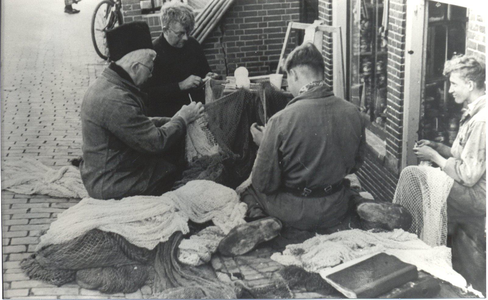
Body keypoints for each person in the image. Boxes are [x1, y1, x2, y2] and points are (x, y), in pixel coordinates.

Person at [218, 43, 369, 256]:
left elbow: (264, 182)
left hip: (294, 212)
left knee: (250, 189)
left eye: (288, 81)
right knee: (348, 186)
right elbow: (355, 164)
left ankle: (263, 221)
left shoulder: (281, 120)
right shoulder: (354, 112)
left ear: (295, 74)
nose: (288, 87)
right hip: (336, 207)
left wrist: (265, 145)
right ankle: (359, 205)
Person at [80, 21, 204, 200]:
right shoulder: (116, 99)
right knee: (174, 171)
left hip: (104, 172)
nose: (151, 74)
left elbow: (138, 122)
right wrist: (182, 119)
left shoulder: (109, 84)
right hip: (110, 183)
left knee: (166, 163)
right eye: (149, 68)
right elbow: (156, 142)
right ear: (135, 67)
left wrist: (174, 118)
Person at [397, 55, 486, 294]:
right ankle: (430, 253)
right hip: (468, 192)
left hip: (476, 198)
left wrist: (435, 159)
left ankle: (420, 254)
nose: (450, 90)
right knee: (424, 179)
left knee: (417, 176)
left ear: (469, 84)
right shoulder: (474, 113)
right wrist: (439, 148)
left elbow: (468, 175)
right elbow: (462, 155)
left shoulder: (481, 120)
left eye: (454, 84)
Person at [143, 1, 217, 118]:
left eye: (188, 32)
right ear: (165, 30)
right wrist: (180, 86)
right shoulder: (152, 54)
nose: (186, 38)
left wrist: (209, 77)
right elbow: (147, 95)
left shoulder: (193, 45)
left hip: (197, 114)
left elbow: (205, 72)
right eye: (180, 33)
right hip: (167, 120)